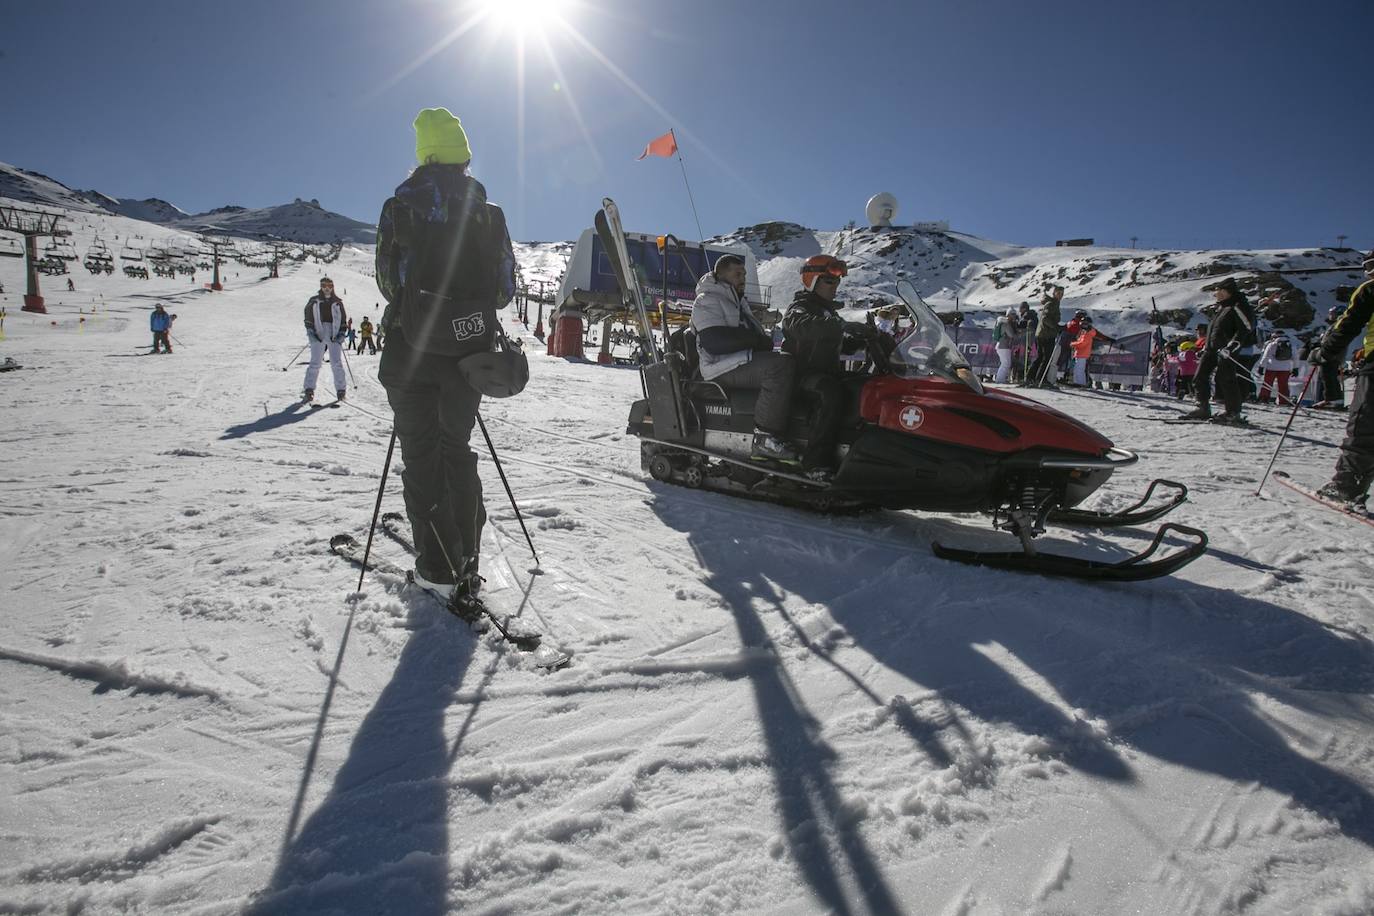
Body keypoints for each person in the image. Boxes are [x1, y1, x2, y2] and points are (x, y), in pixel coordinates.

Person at [375, 107, 517, 601]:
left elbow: (388, 282)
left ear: (424, 156)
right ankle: (468, 556)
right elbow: (504, 292)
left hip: (409, 351)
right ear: (464, 157)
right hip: (468, 354)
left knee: (421, 453)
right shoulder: (489, 214)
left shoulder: (399, 209)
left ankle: (437, 565)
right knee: (455, 447)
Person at [691, 252, 799, 464]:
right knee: (779, 366)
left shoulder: (737, 302)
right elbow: (714, 342)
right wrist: (754, 340)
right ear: (721, 275)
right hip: (719, 366)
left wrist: (761, 340)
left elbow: (750, 336)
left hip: (739, 360)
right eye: (737, 274)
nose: (743, 279)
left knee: (790, 361)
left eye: (744, 274)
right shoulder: (706, 300)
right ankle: (765, 438)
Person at [779, 255, 876, 471]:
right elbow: (797, 325)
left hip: (824, 373)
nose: (835, 287)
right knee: (829, 391)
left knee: (861, 384)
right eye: (830, 281)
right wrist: (840, 326)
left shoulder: (828, 311)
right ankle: (815, 463)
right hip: (801, 376)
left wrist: (864, 339)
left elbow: (838, 343)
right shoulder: (800, 307)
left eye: (837, 282)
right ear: (812, 280)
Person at [1312, 250, 1374, 507]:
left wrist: (1324, 353)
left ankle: (1348, 485)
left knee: (1364, 424)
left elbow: (1347, 325)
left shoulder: (1369, 290)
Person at [1180, 278, 1257, 423]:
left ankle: (1233, 412)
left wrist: (1232, 346)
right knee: (1199, 376)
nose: (1216, 294)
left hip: (1226, 350)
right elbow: (1215, 330)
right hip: (1211, 349)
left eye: (1218, 291)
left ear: (1226, 291)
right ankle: (1202, 407)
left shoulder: (1238, 306)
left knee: (1226, 379)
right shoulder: (1222, 307)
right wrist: (1205, 347)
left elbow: (1247, 327)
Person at [302, 276, 348, 403]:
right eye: (324, 286)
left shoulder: (337, 302)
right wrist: (310, 331)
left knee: (336, 362)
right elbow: (308, 316)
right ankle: (309, 389)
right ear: (321, 287)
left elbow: (343, 319)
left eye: (329, 286)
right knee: (315, 361)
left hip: (334, 332)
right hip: (319, 330)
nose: (327, 289)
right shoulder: (314, 301)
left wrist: (342, 332)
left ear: (333, 287)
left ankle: (341, 390)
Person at [1024, 285, 1063, 388]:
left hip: (1044, 334)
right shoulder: (1051, 304)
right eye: (1058, 293)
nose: (1060, 295)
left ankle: (1031, 377)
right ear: (1054, 293)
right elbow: (1045, 319)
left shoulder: (1053, 303)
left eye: (1062, 294)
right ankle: (1040, 379)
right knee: (1046, 358)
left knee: (1041, 357)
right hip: (1046, 335)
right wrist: (1056, 327)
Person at [1314, 306, 1349, 410]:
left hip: (1331, 354)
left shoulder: (1338, 324)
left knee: (1327, 376)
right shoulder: (1340, 324)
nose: (1330, 315)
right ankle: (1337, 400)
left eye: (1332, 313)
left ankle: (1330, 400)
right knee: (1331, 376)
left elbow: (1334, 339)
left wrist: (1323, 342)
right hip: (1334, 354)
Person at [1068, 318, 1115, 386]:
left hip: (1083, 353)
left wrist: (1072, 344)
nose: (1083, 326)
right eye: (1082, 324)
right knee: (1078, 369)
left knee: (1079, 369)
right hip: (1081, 352)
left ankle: (1080, 382)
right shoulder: (1084, 331)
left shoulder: (1088, 333)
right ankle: (1079, 382)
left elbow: (1083, 343)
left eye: (1085, 324)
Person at [1256, 330, 1295, 404]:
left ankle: (1264, 398)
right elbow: (1295, 357)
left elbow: (1265, 357)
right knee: (1283, 385)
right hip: (1285, 368)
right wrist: (1295, 368)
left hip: (1271, 368)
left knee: (1267, 384)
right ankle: (1283, 400)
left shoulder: (1271, 344)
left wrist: (1261, 367)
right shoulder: (1290, 344)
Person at [993, 308, 1018, 383]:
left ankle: (1000, 379)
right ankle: (999, 380)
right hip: (1003, 346)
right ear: (1008, 315)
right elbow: (1011, 335)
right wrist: (1018, 333)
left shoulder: (1004, 323)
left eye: (1014, 314)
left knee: (1005, 363)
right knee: (1005, 364)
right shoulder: (1006, 323)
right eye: (1012, 314)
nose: (1014, 316)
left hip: (1002, 345)